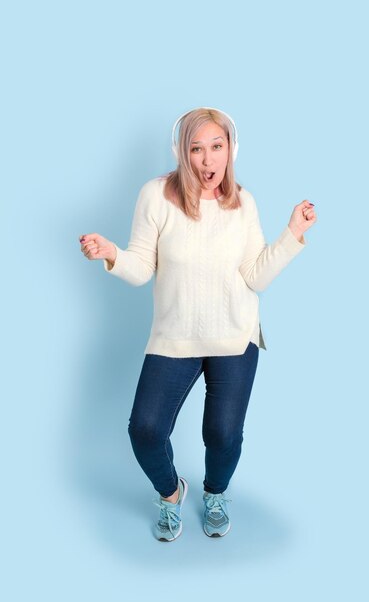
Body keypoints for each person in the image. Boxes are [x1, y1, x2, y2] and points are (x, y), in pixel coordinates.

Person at [79, 106, 317, 542]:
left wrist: (292, 234)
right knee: (145, 429)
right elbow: (139, 268)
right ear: (181, 152)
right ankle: (171, 494)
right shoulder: (156, 196)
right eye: (196, 149)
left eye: (216, 147)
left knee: (223, 435)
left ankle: (215, 493)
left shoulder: (244, 203)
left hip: (233, 335)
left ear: (231, 149)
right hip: (175, 337)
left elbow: (255, 276)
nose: (208, 161)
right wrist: (111, 252)